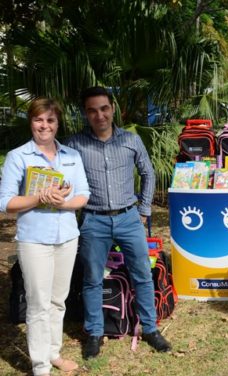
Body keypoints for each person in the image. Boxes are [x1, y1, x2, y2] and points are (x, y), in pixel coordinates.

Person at [65, 86, 171, 359]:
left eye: (103, 108)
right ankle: (94, 333)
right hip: (93, 220)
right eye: (92, 110)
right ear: (86, 114)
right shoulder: (75, 145)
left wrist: (144, 211)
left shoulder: (131, 140)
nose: (99, 115)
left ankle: (150, 328)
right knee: (91, 280)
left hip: (128, 218)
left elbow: (148, 172)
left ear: (113, 109)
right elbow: (63, 177)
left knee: (142, 276)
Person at [0, 98, 90, 376]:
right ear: (31, 122)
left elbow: (83, 195)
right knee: (38, 304)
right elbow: (5, 202)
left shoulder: (72, 156)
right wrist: (39, 197)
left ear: (57, 123)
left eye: (50, 120)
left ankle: (53, 353)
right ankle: (40, 366)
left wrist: (59, 202)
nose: (44, 125)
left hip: (66, 237)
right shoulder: (19, 157)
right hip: (34, 240)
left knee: (57, 301)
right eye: (39, 120)